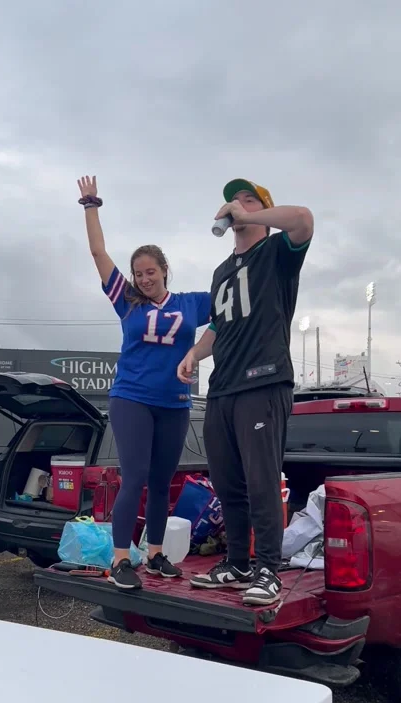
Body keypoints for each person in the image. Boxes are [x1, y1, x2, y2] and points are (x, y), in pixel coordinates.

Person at [177, 178, 313, 606]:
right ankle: (236, 563)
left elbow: (303, 220)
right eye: (232, 199)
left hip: (264, 380)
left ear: (261, 212)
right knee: (228, 483)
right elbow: (218, 324)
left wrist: (251, 215)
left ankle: (268, 568)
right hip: (223, 388)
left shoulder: (276, 253)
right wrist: (195, 354)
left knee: (261, 481)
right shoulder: (222, 272)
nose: (235, 203)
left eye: (247, 198)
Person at [78, 175, 211, 590]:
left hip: (174, 403)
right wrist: (91, 205)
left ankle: (155, 554)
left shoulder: (192, 303)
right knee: (133, 476)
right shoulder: (127, 300)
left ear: (164, 270)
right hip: (131, 399)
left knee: (161, 481)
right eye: (138, 273)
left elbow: (230, 312)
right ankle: (121, 560)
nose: (144, 279)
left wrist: (199, 352)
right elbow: (99, 252)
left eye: (150, 271)